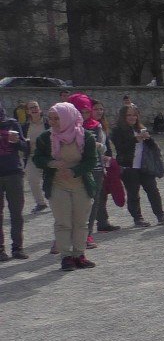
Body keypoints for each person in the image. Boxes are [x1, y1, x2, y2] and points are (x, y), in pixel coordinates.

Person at [32, 102, 97, 271]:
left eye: (57, 119)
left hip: (81, 184)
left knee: (81, 222)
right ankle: (66, 257)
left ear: (68, 118)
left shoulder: (85, 136)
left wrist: (75, 170)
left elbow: (91, 161)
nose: (52, 122)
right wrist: (52, 163)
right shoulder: (45, 138)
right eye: (51, 118)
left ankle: (79, 255)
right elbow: (37, 159)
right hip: (57, 185)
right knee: (63, 223)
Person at [111, 104, 164, 227]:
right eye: (129, 115)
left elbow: (154, 148)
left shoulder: (140, 128)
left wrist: (148, 139)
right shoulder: (117, 130)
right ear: (123, 116)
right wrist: (135, 140)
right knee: (133, 193)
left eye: (134, 115)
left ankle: (160, 216)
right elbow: (120, 148)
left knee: (153, 190)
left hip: (144, 166)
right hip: (129, 167)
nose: (132, 117)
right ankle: (138, 218)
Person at [66, 94, 109, 249]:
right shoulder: (65, 126)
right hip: (74, 169)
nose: (84, 115)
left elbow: (97, 147)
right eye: (80, 111)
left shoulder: (95, 125)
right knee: (72, 203)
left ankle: (87, 234)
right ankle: (68, 235)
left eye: (86, 111)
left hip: (95, 167)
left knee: (92, 202)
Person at [0, 100, 29, 261]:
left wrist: (17, 141)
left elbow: (25, 147)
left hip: (14, 173)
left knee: (16, 213)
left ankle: (17, 247)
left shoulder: (12, 123)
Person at [89, 100, 119, 233]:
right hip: (92, 165)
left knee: (102, 194)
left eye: (101, 109)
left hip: (102, 164)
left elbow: (107, 146)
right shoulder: (88, 127)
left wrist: (109, 163)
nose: (100, 112)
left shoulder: (102, 125)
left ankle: (102, 221)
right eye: (96, 109)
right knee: (95, 196)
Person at [22, 100, 48, 213]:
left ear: (40, 108)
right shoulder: (25, 127)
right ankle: (40, 203)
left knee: (52, 181)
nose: (34, 109)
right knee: (32, 179)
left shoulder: (48, 123)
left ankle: (55, 200)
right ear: (28, 111)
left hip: (48, 156)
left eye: (36, 106)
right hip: (32, 156)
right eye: (31, 108)